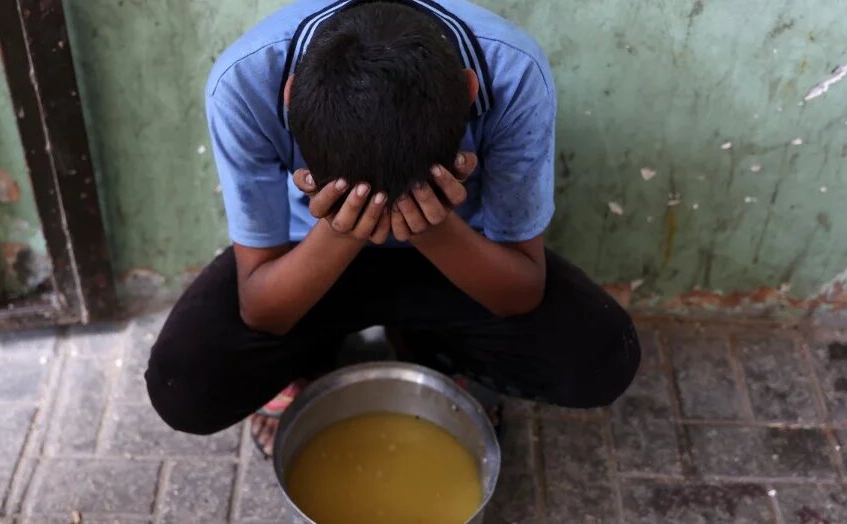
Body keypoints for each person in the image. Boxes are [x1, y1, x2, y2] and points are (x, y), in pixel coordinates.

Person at [145, 0, 640, 457]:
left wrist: (431, 229)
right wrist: (341, 230)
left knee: (601, 360)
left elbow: (522, 289)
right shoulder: (245, 82)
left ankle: (431, 349)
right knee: (184, 387)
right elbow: (262, 308)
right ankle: (313, 359)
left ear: (470, 92)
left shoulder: (512, 72)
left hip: (457, 252)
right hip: (307, 256)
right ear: (291, 96)